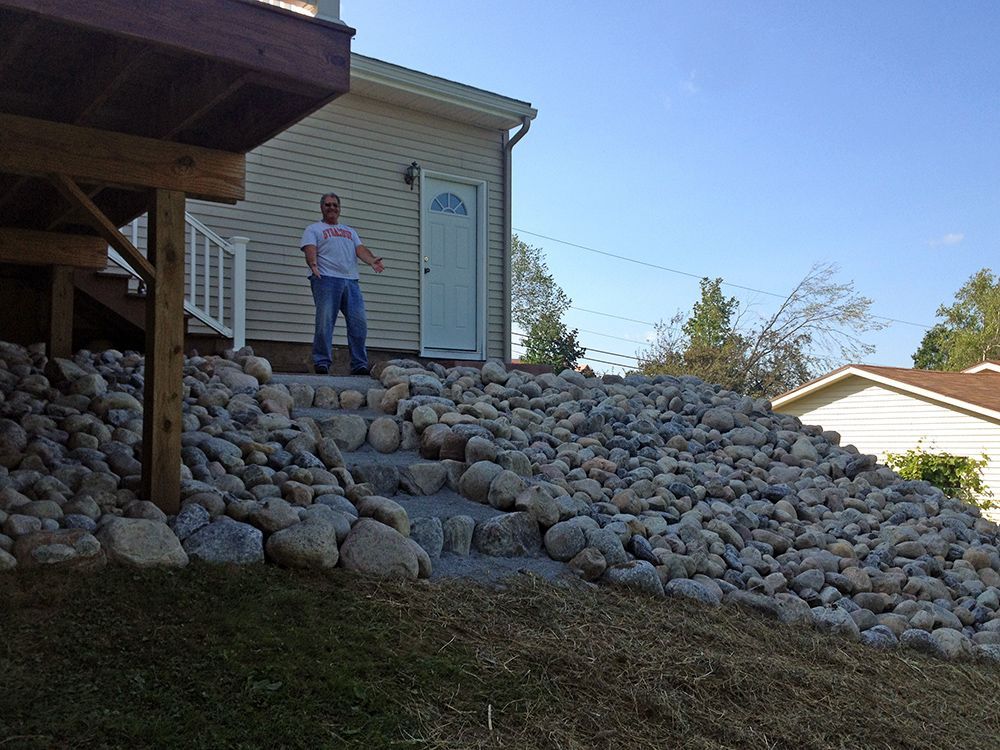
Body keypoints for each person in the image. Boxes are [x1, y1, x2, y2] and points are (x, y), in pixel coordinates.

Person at [300, 192, 384, 375]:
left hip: (351, 281)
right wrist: (313, 264)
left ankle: (359, 364)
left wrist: (371, 260)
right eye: (328, 205)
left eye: (335, 205)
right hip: (326, 279)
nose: (331, 208)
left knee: (358, 322)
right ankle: (322, 361)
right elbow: (310, 248)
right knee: (325, 321)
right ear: (322, 207)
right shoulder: (313, 229)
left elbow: (360, 249)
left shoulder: (350, 231)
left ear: (339, 209)